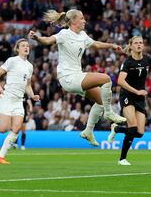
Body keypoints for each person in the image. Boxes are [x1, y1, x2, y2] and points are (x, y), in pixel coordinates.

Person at [28, 9, 126, 146]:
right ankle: (109, 114)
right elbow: (48, 40)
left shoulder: (83, 35)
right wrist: (37, 38)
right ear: (73, 21)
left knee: (100, 101)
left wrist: (111, 45)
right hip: (68, 77)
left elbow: (96, 44)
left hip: (77, 76)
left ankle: (88, 131)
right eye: (82, 18)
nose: (84, 21)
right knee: (106, 79)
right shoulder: (64, 34)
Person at [0, 38, 40, 164]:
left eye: (27, 46)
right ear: (17, 49)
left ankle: (0, 157)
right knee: (3, 129)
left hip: (18, 101)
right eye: (23, 46)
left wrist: (32, 96)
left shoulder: (30, 66)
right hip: (7, 98)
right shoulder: (12, 61)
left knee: (16, 128)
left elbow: (27, 85)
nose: (26, 47)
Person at [107, 36, 151, 165]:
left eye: (141, 43)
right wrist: (136, 91)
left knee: (139, 133)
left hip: (139, 98)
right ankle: (122, 159)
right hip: (127, 95)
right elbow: (120, 81)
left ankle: (117, 129)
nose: (139, 45)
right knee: (132, 126)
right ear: (131, 46)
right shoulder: (128, 62)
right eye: (136, 43)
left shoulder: (148, 60)